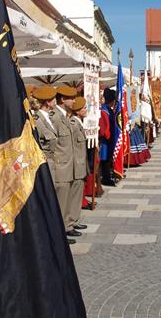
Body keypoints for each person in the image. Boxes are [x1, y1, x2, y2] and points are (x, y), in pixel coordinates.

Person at [50, 85, 79, 240]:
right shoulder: (54, 118)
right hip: (61, 165)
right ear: (62, 99)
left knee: (66, 199)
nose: (74, 101)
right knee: (61, 202)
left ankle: (67, 226)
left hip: (69, 165)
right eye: (71, 98)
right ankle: (60, 233)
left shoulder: (65, 117)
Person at [69, 97, 89, 234]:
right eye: (84, 108)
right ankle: (70, 223)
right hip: (76, 165)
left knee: (77, 196)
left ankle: (74, 220)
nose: (86, 110)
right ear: (77, 111)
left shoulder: (78, 123)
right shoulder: (73, 124)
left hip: (80, 164)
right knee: (73, 195)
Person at [31, 86, 58, 184]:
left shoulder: (48, 117)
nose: (56, 101)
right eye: (54, 98)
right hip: (45, 165)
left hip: (53, 164)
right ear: (48, 102)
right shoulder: (37, 120)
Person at [99, 88, 116, 186]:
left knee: (108, 158)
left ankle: (108, 174)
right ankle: (106, 177)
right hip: (106, 140)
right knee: (105, 159)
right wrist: (109, 136)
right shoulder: (105, 110)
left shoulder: (108, 109)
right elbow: (105, 127)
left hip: (109, 138)